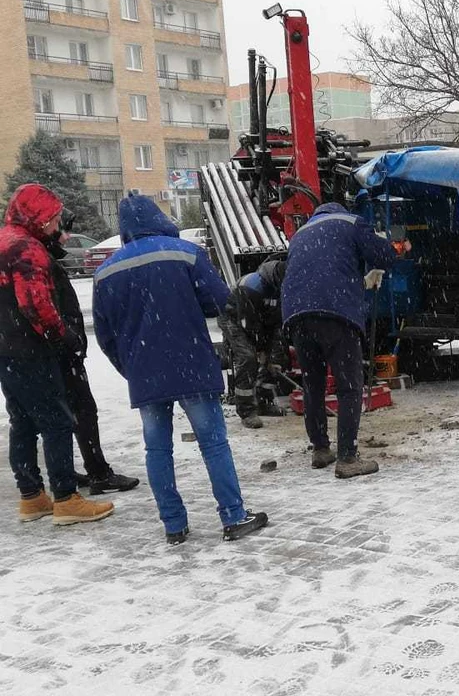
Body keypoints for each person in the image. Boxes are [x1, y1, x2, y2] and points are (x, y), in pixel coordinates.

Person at [93, 195, 267, 544]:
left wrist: (131, 367)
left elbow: (105, 335)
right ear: (158, 217)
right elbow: (221, 301)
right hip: (191, 365)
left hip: (145, 372)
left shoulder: (106, 271)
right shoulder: (184, 252)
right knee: (213, 443)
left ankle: (174, 525)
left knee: (157, 450)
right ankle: (233, 516)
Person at [0, 184, 115, 524]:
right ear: (35, 217)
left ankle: (31, 496)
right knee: (57, 422)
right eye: (51, 220)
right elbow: (37, 306)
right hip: (31, 350)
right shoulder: (27, 249)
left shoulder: (4, 240)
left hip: (7, 348)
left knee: (21, 422)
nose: (55, 227)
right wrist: (63, 337)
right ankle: (66, 498)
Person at [281, 201, 408, 477]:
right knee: (349, 385)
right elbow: (382, 256)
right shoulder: (352, 222)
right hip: (336, 311)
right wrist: (395, 247)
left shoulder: (301, 233)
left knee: (312, 384)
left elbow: (320, 270)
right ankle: (348, 458)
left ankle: (320, 449)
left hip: (298, 315)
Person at [44, 230, 140, 493]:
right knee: (81, 411)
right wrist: (69, 339)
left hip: (52, 352)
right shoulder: (41, 263)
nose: (65, 238)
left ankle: (64, 473)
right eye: (59, 230)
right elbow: (47, 309)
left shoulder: (38, 259)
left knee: (62, 414)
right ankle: (96, 474)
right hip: (60, 351)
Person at [218, 259, 287, 429]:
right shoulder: (251, 286)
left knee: (278, 358)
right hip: (233, 318)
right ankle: (246, 410)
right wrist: (261, 350)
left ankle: (263, 398)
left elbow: (276, 323)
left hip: (260, 321)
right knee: (248, 358)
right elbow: (248, 323)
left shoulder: (281, 288)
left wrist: (273, 357)